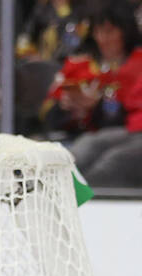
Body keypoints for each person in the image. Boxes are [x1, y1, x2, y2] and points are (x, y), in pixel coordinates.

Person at [50, 2, 142, 186]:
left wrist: (94, 108)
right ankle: (52, 190)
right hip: (115, 131)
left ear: (126, 32)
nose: (103, 39)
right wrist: (71, 109)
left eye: (109, 31)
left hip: (131, 133)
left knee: (114, 160)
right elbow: (49, 117)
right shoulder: (81, 65)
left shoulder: (136, 64)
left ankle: (82, 199)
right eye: (98, 31)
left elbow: (125, 115)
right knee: (85, 147)